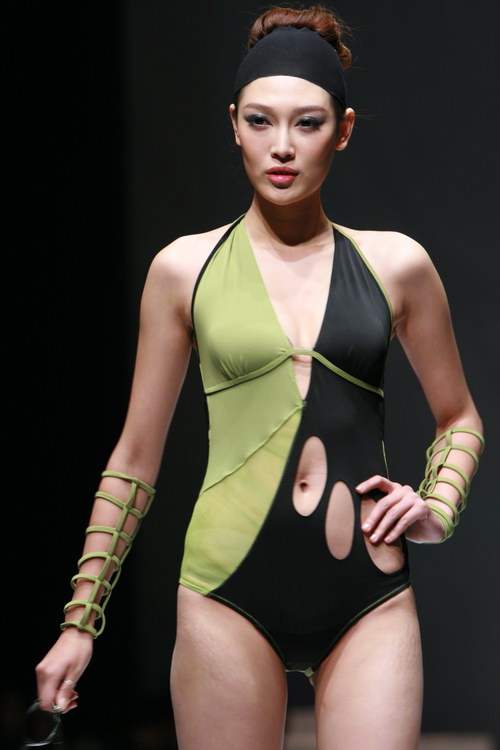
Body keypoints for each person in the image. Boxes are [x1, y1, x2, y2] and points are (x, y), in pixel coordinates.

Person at [35, 5, 484, 749]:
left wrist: (438, 505)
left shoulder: (397, 264)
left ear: (342, 130)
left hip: (367, 594)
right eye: (260, 121)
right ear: (234, 125)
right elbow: (135, 458)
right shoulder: (183, 270)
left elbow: (458, 415)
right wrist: (79, 623)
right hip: (225, 592)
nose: (281, 146)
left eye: (307, 123)